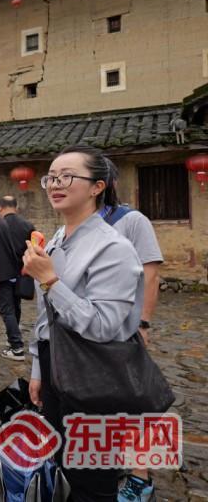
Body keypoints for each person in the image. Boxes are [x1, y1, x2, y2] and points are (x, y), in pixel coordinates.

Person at [23, 145, 144, 501]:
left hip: (95, 373)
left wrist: (50, 280)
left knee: (90, 477)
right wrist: (38, 367)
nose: (55, 184)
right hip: (56, 365)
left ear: (97, 187)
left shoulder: (114, 248)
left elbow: (104, 326)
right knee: (61, 461)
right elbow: (45, 316)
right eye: (51, 177)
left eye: (67, 176)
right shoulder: (57, 239)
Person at [103, 160, 163, 502]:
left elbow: (150, 273)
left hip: (123, 329)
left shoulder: (131, 220)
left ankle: (141, 477)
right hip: (86, 332)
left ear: (104, 183)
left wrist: (143, 322)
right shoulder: (75, 224)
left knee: (134, 403)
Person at [0, 195, 35, 361]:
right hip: (21, 273)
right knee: (16, 307)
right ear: (16, 207)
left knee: (7, 310)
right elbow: (34, 249)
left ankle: (16, 347)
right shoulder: (28, 225)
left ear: (0, 208)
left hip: (2, 274)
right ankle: (13, 339)